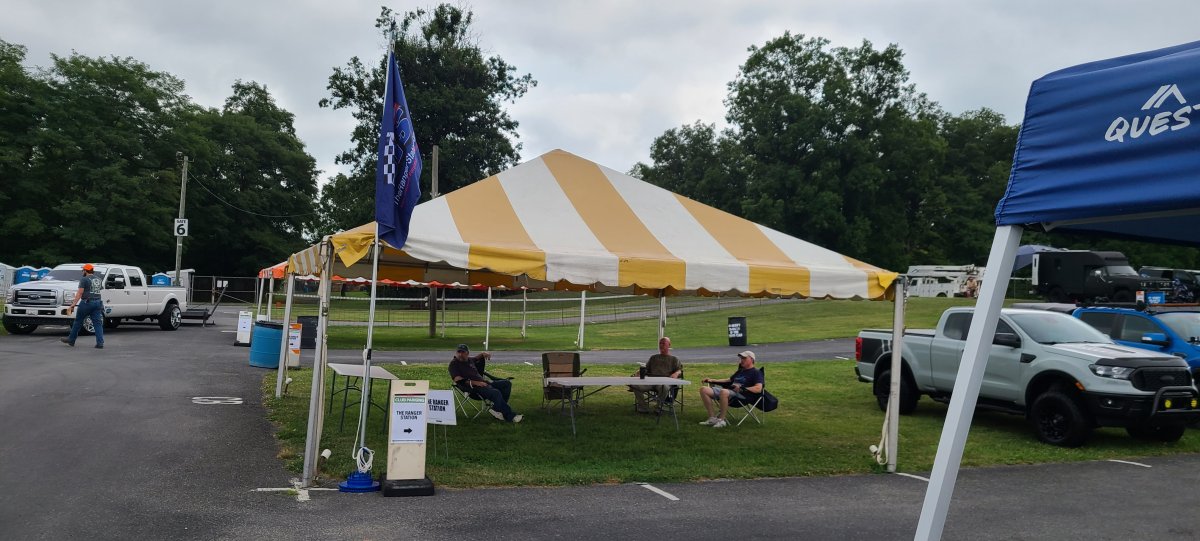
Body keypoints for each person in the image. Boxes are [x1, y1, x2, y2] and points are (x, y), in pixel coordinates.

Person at [449, 344, 522, 423]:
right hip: (472, 388)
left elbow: (477, 358)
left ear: (467, 353)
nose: (460, 354)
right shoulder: (454, 364)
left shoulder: (469, 360)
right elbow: (457, 379)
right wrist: (475, 383)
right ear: (456, 353)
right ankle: (511, 416)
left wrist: (483, 353)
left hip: (484, 383)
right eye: (459, 352)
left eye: (463, 352)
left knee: (506, 384)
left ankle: (497, 410)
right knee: (495, 392)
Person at [698, 350, 763, 428]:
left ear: (752, 360)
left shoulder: (756, 372)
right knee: (704, 389)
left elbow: (758, 388)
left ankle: (721, 420)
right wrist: (712, 380)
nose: (741, 360)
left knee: (724, 391)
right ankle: (712, 418)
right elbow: (728, 380)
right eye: (741, 358)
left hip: (742, 395)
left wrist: (743, 388)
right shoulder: (740, 371)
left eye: (744, 358)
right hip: (730, 392)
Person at [629, 336, 683, 413]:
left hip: (663, 382)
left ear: (669, 345)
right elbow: (646, 368)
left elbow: (680, 370)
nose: (661, 345)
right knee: (635, 385)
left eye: (663, 343)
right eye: (660, 343)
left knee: (664, 387)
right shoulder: (653, 358)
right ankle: (643, 407)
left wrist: (676, 373)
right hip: (651, 381)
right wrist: (639, 372)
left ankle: (659, 407)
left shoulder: (674, 359)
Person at [61, 263, 104, 349]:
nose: (82, 271)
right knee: (97, 323)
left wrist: (72, 305)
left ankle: (71, 340)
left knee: (78, 322)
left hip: (86, 302)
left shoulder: (84, 279)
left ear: (85, 271)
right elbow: (99, 290)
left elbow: (80, 293)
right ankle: (100, 343)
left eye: (83, 270)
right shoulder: (99, 279)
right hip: (98, 302)